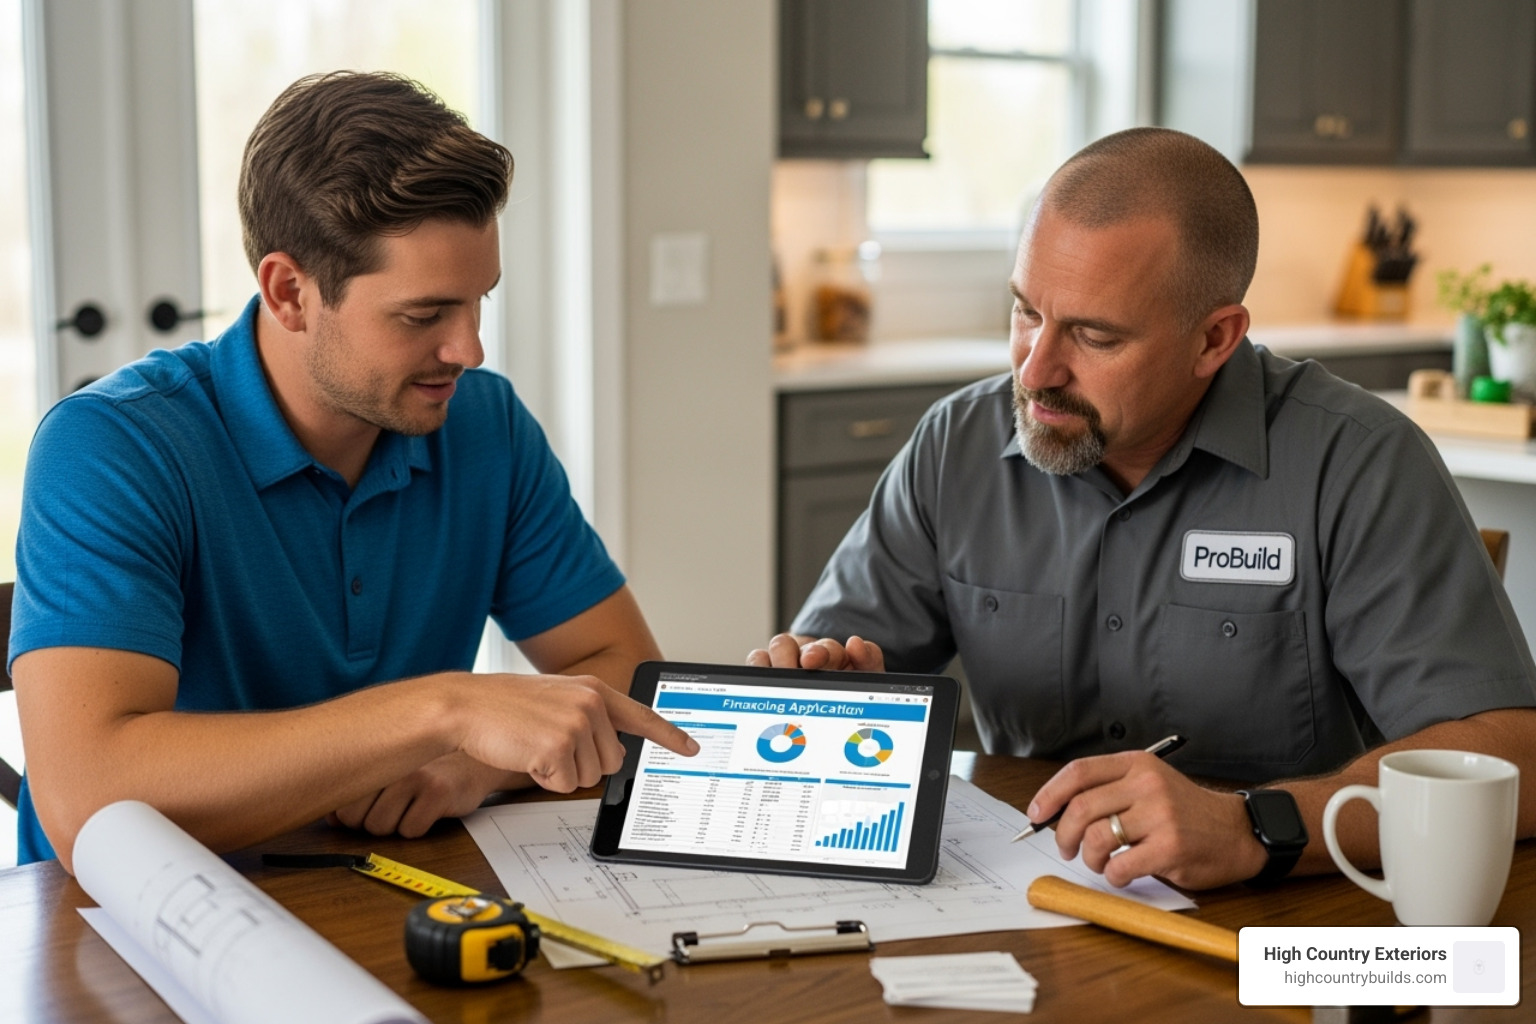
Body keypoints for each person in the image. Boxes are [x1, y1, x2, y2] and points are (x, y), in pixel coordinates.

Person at [750, 127, 1536, 891]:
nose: (1035, 369)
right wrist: (823, 686)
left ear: (1214, 340)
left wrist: (1254, 826)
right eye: (1026, 311)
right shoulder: (954, 448)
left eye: (1093, 335)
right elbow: (822, 686)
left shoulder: (1357, 461)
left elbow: (1516, 762)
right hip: (1028, 895)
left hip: (1283, 926)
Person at [9, 71, 697, 872]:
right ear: (289, 291)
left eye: (479, 303)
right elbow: (86, 798)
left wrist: (476, 762)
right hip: (125, 931)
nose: (468, 350)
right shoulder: (112, 446)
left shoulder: (485, 424)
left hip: (380, 892)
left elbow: (625, 674)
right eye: (423, 314)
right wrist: (445, 709)